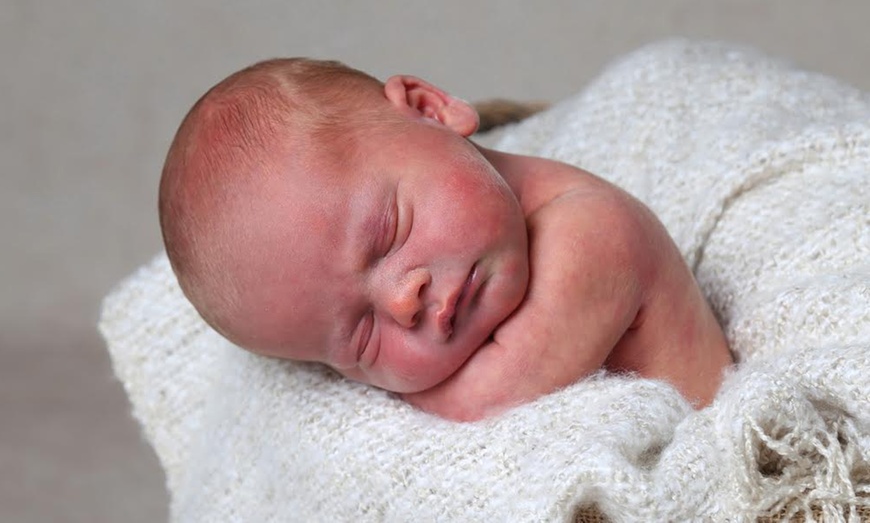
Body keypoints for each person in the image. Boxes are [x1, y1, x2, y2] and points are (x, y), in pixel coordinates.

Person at [158, 58, 734, 421]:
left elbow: (481, 403)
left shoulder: (595, 233)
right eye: (361, 340)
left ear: (431, 110)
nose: (402, 301)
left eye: (389, 233)